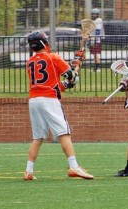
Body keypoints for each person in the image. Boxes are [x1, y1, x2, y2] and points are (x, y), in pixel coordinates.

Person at [23, 31, 94, 180]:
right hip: (49, 100)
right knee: (64, 133)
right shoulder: (53, 57)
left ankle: (28, 171)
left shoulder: (29, 62)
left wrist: (69, 80)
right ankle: (74, 167)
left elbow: (55, 83)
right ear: (43, 43)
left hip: (34, 100)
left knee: (38, 137)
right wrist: (77, 66)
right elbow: (70, 76)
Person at [90, 8, 105, 72]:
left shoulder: (98, 20)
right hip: (93, 39)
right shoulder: (94, 20)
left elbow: (98, 30)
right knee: (94, 53)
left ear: (97, 14)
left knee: (96, 53)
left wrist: (95, 39)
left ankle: (98, 67)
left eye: (95, 14)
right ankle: (95, 67)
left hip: (96, 39)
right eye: (93, 14)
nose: (93, 15)